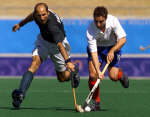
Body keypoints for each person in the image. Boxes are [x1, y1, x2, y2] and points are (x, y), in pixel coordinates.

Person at [11, 2, 80, 109]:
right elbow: (31, 17)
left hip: (58, 46)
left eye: (44, 15)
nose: (42, 18)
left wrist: (69, 62)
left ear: (47, 12)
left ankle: (74, 73)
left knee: (62, 78)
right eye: (39, 15)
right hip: (43, 41)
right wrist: (20, 24)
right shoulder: (37, 15)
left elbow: (60, 45)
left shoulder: (52, 26)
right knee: (34, 63)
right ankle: (21, 94)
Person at [85, 6, 129, 111]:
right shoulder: (90, 30)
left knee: (113, 76)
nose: (98, 24)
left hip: (113, 46)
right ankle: (96, 103)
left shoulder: (113, 21)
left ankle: (120, 75)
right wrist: (98, 70)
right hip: (98, 50)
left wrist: (112, 50)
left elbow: (123, 39)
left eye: (101, 21)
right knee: (93, 75)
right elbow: (94, 53)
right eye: (96, 21)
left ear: (106, 18)